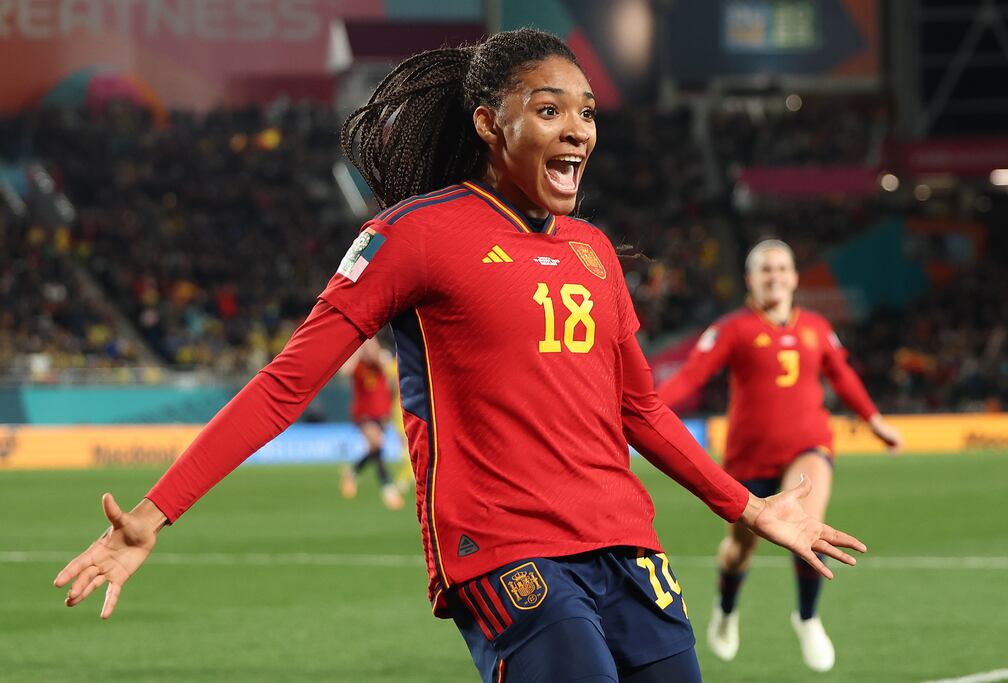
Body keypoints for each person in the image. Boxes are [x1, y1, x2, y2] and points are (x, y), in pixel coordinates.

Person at [54, 30, 868, 683]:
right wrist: (155, 512)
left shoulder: (593, 252)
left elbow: (642, 410)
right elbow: (285, 385)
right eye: (549, 110)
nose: (578, 128)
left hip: (626, 544)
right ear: (490, 122)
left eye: (586, 111)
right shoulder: (411, 236)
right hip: (505, 549)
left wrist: (749, 508)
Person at [658, 239, 902, 673]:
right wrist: (645, 408)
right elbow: (692, 375)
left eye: (782, 268)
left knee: (809, 517)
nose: (775, 276)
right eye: (765, 269)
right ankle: (727, 609)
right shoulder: (732, 329)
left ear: (794, 276)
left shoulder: (816, 327)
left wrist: (874, 419)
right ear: (750, 279)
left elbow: (842, 375)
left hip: (809, 445)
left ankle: (807, 617)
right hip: (748, 459)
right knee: (739, 549)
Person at [339, 336, 405, 510]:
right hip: (363, 413)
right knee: (377, 443)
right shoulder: (358, 363)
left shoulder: (381, 359)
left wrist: (373, 352)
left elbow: (386, 368)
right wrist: (359, 352)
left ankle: (352, 472)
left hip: (382, 413)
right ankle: (387, 487)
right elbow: (344, 372)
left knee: (374, 449)